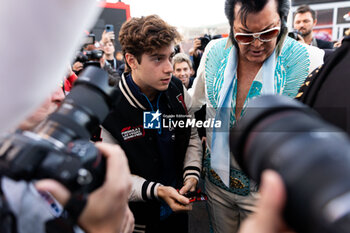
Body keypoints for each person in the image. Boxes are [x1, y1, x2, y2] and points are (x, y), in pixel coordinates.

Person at [189, 0, 324, 232]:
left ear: (282, 22)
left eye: (268, 32)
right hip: (216, 185)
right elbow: (194, 101)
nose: (257, 44)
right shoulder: (213, 52)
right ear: (231, 26)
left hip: (269, 194)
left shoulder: (312, 60)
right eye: (245, 35)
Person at [101, 15, 202, 233]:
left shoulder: (176, 89)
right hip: (137, 221)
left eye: (170, 57)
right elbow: (111, 176)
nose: (169, 68)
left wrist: (192, 173)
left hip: (179, 212)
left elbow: (191, 134)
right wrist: (156, 190)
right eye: (157, 59)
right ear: (131, 60)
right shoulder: (108, 109)